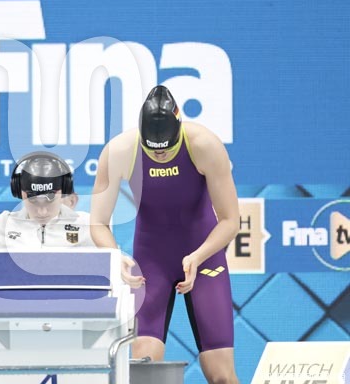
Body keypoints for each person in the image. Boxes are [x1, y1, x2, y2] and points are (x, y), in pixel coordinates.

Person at [90, 85, 240, 383]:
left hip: (204, 260)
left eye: (167, 149)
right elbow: (97, 223)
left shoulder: (205, 145)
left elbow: (229, 221)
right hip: (151, 263)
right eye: (153, 149)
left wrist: (198, 256)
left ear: (179, 132)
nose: (160, 154)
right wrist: (115, 255)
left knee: (221, 375)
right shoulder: (119, 151)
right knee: (143, 370)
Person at [0, 152, 93, 384]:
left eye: (49, 201)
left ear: (63, 191)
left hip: (70, 329)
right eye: (33, 202)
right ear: (21, 192)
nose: (42, 211)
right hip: (7, 330)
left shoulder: (88, 226)